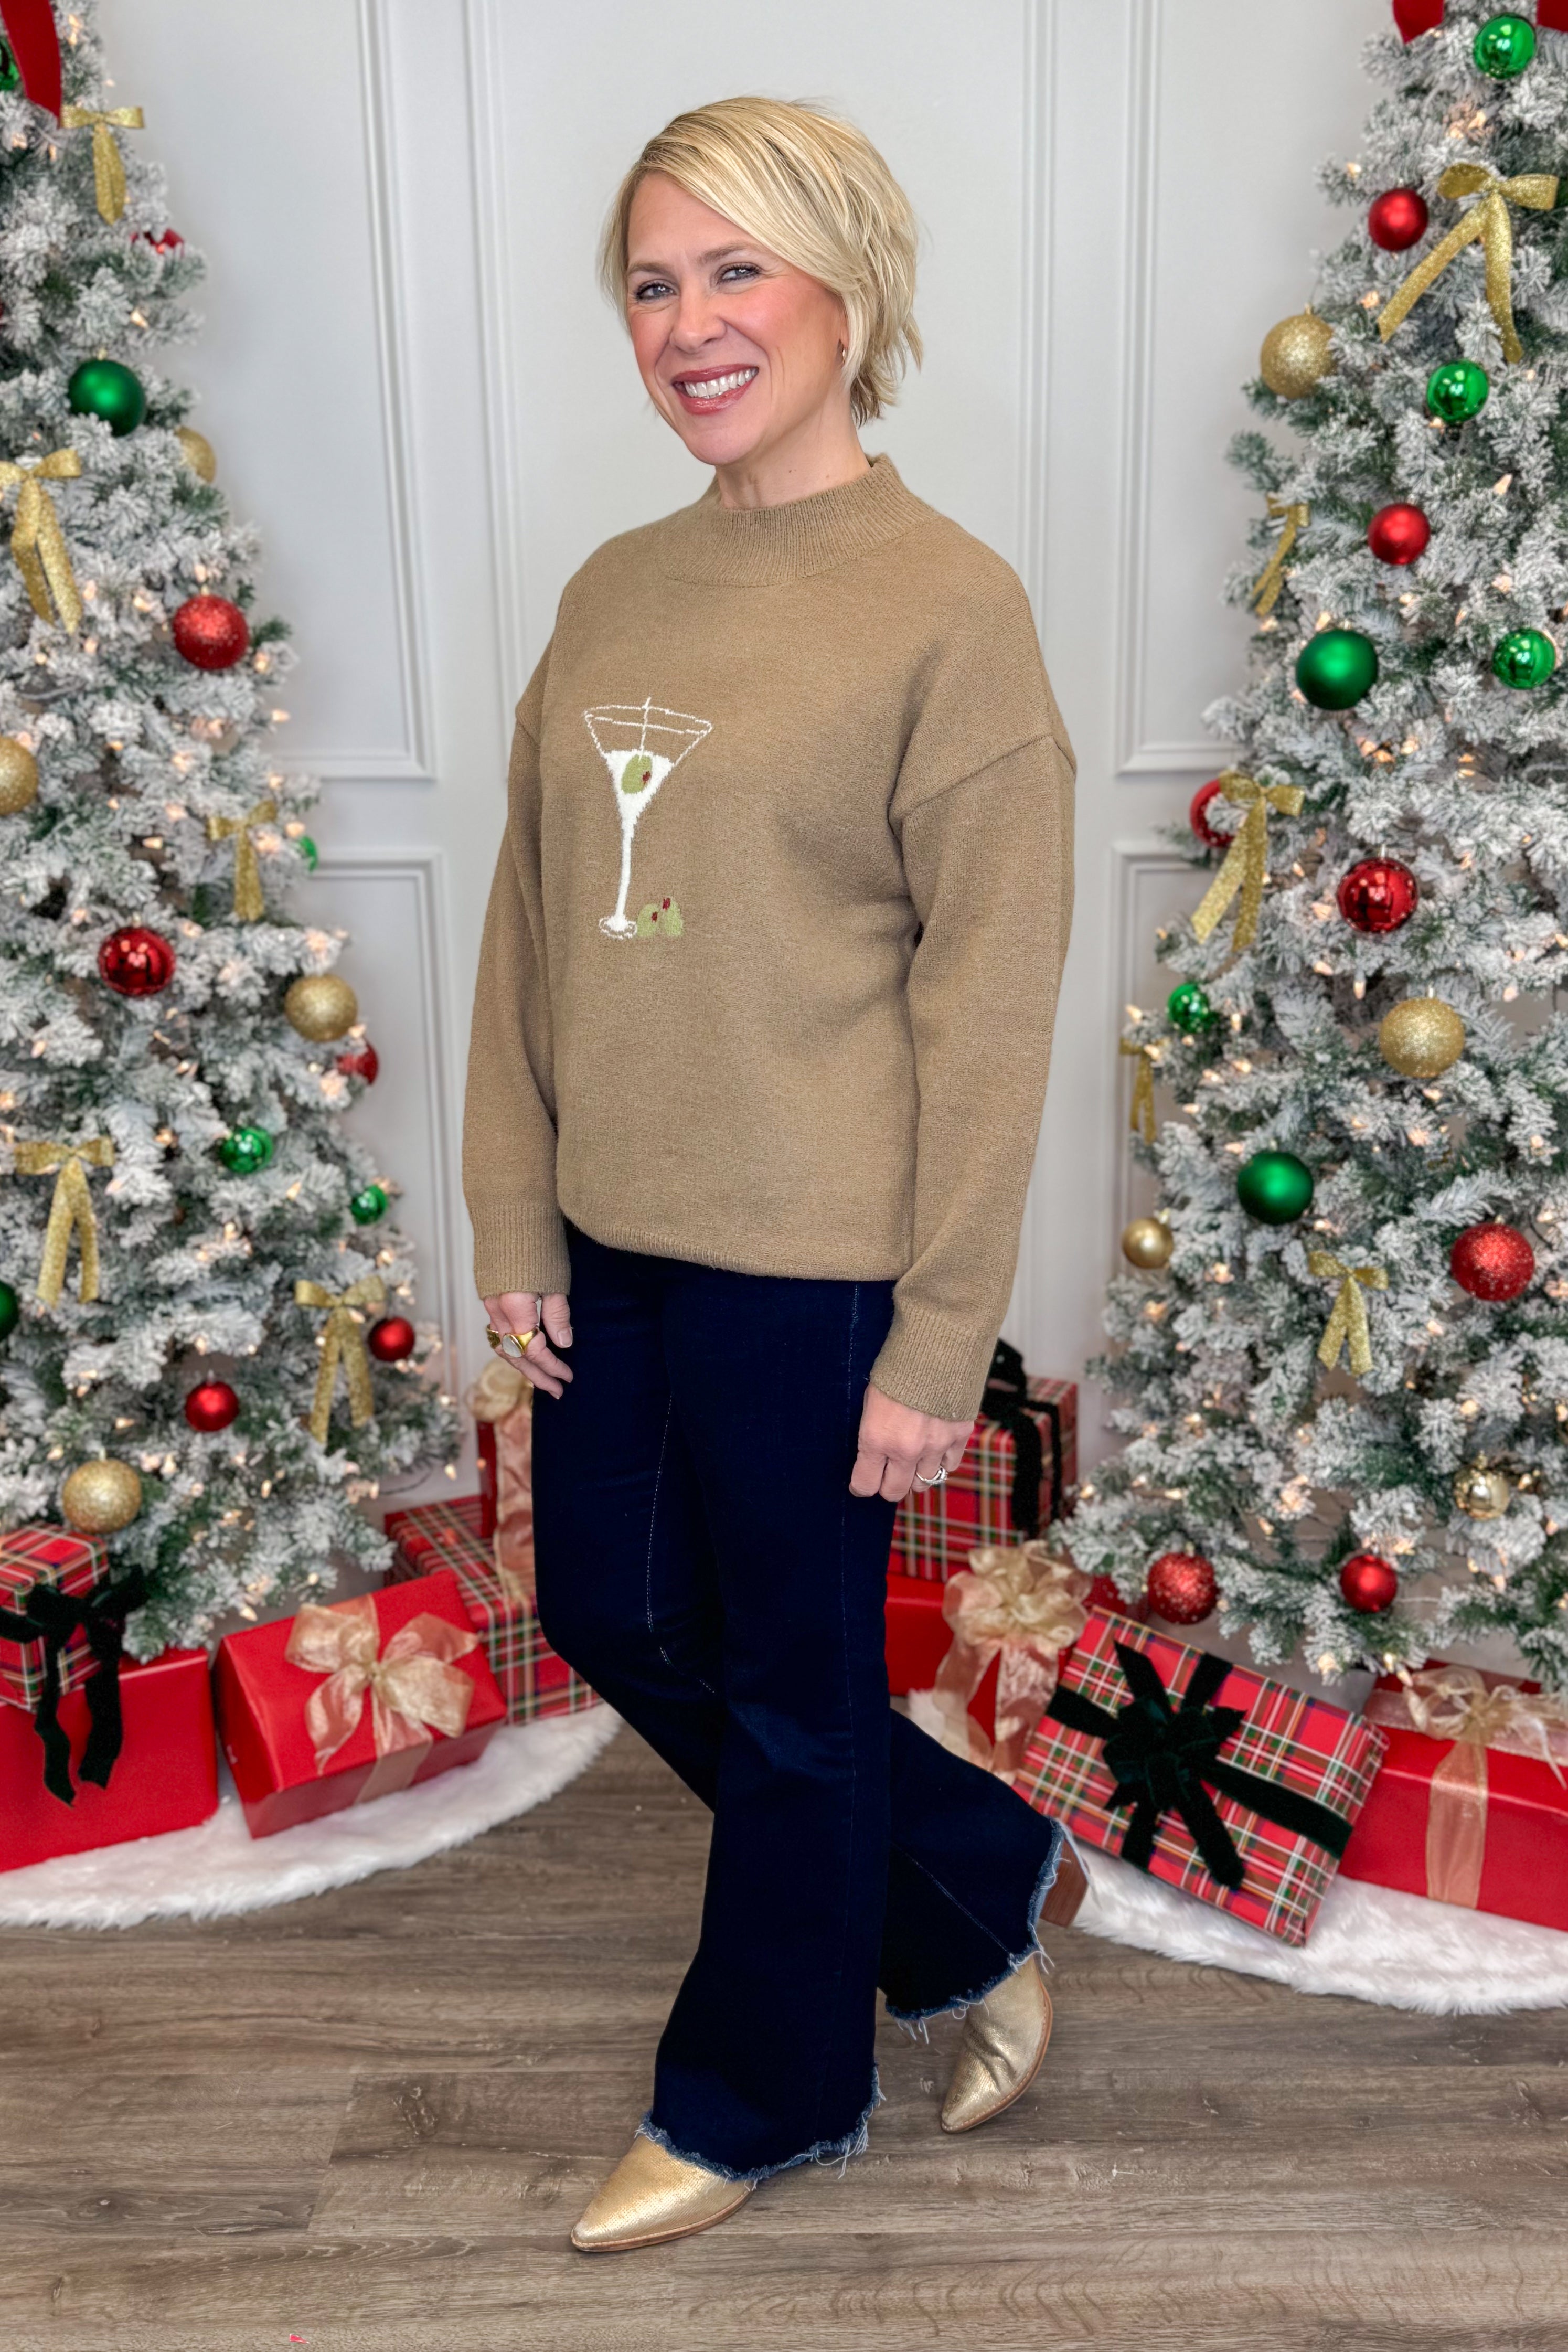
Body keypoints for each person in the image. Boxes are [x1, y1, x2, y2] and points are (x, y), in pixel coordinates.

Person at [463, 95, 1079, 2255]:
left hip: (816, 1259)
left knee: (799, 1687)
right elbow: (530, 921)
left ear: (847, 288)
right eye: (652, 281)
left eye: (736, 272)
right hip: (613, 1234)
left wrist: (933, 1328)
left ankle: (766, 2091)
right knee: (616, 1610)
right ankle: (975, 1873)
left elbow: (989, 1008)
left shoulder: (948, 609)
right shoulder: (616, 585)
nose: (689, 324)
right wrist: (512, 1212)